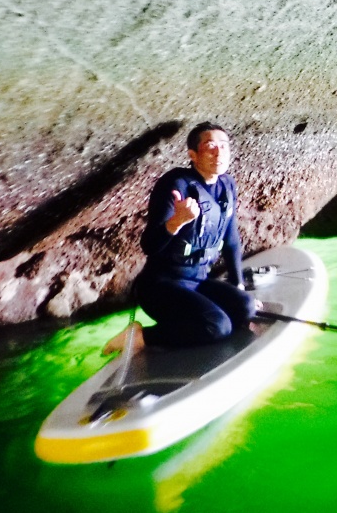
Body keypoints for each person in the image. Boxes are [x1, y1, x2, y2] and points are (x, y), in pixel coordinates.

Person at [103, 121, 258, 355]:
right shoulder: (175, 185)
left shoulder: (227, 185)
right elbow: (149, 246)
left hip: (198, 281)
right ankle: (141, 336)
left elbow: (231, 238)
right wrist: (176, 221)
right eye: (211, 146)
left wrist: (237, 284)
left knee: (245, 307)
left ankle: (194, 324)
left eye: (224, 146)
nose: (219, 152)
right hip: (162, 287)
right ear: (193, 155)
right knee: (217, 326)